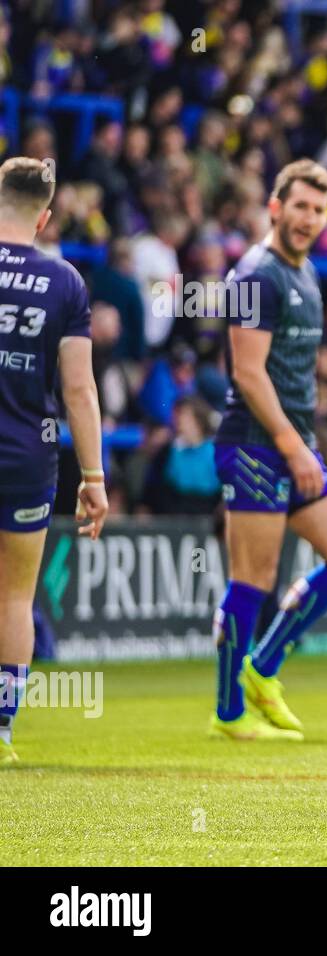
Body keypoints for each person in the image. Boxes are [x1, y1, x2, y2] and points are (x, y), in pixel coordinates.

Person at [211, 159, 327, 742]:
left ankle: (263, 666)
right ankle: (229, 712)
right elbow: (248, 375)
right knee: (252, 578)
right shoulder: (256, 274)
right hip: (255, 445)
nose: (308, 218)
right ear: (275, 208)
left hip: (295, 445)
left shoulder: (306, 274)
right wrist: (294, 447)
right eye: (299, 205)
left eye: (318, 208)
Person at [0, 157, 108, 765]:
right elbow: (80, 390)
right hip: (26, 457)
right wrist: (92, 477)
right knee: (14, 598)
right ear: (44, 217)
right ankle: (1, 730)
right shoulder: (65, 282)